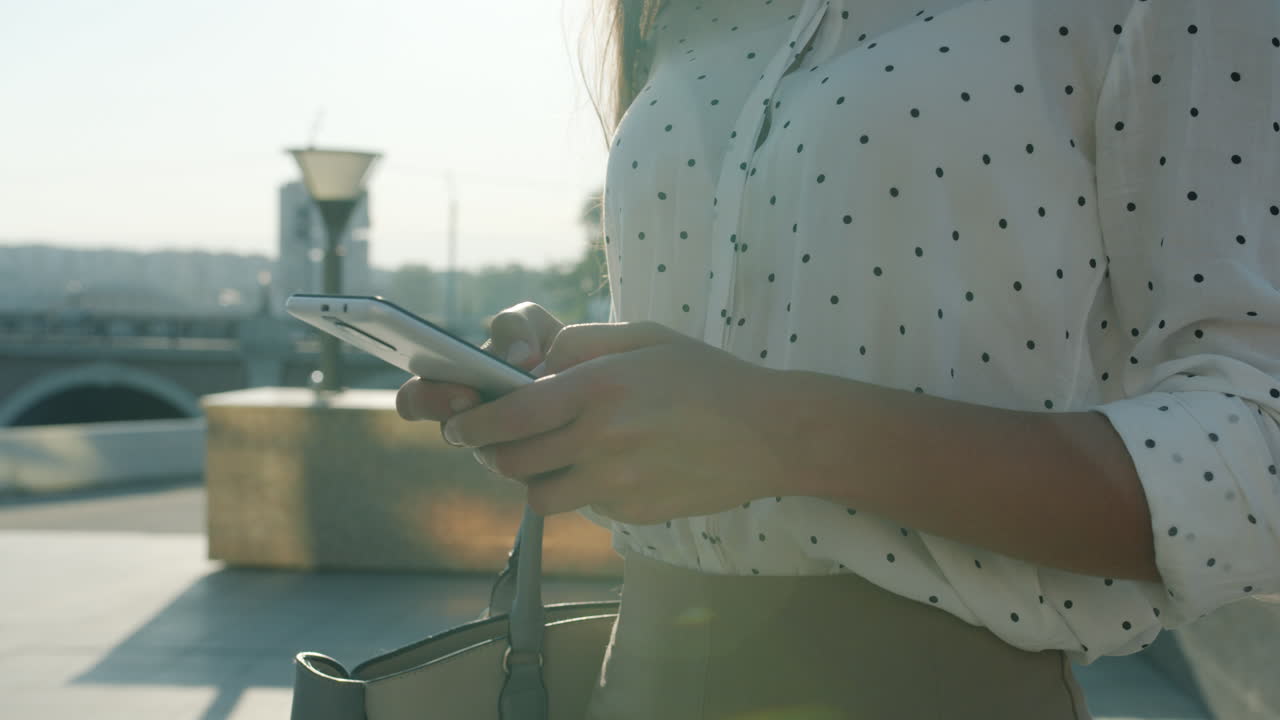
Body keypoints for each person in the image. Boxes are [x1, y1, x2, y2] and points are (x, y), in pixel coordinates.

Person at [396, 0, 1280, 717]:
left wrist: (785, 432)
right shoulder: (675, 12)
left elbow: (1261, 447)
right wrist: (578, 386)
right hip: (633, 684)